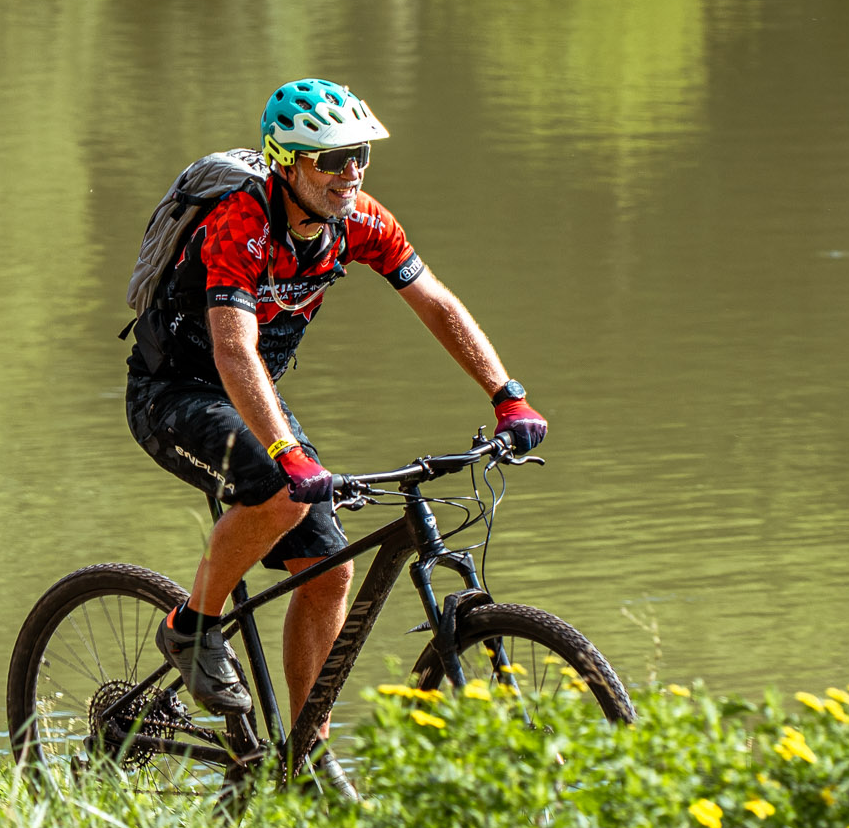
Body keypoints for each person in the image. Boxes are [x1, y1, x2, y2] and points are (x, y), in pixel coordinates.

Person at [124, 79, 549, 724]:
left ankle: (306, 752)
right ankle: (191, 628)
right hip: (173, 393)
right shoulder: (241, 224)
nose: (350, 173)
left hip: (251, 394)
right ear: (286, 162)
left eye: (360, 156)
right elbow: (233, 350)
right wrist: (287, 451)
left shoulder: (359, 222)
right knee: (279, 489)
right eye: (332, 159)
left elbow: (435, 302)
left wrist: (507, 395)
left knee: (329, 572)